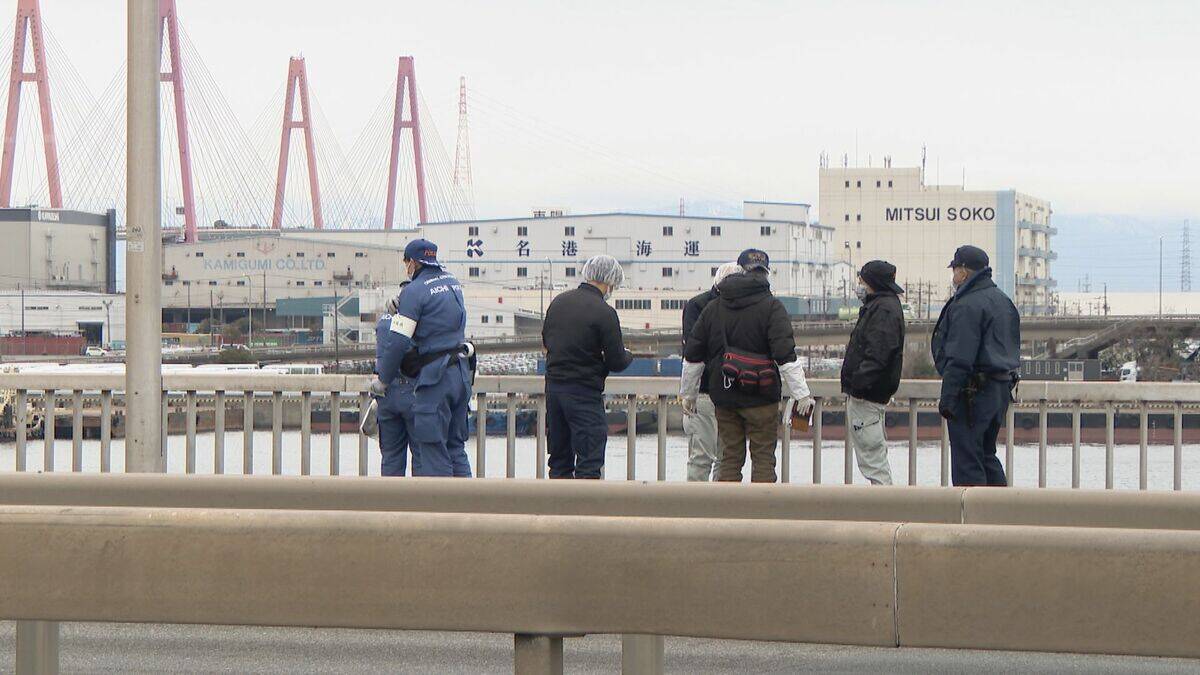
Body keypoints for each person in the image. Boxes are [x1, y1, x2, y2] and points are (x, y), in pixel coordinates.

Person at [681, 249, 813, 482]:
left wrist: (688, 394)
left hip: (725, 394)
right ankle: (762, 514)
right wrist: (801, 394)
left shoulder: (714, 307)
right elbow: (785, 356)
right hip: (762, 393)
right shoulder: (772, 307)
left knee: (729, 457)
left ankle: (729, 513)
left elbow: (693, 355)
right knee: (763, 457)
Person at [377, 238, 473, 477]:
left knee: (433, 449)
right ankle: (470, 510)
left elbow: (398, 341)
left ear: (412, 263)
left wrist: (383, 380)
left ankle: (439, 513)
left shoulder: (414, 291)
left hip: (435, 378)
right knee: (456, 447)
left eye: (406, 263)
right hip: (460, 374)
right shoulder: (452, 282)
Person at [932, 245, 1021, 487]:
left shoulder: (967, 305)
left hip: (972, 394)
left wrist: (948, 399)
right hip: (1000, 389)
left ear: (964, 271)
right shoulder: (1003, 300)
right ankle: (1001, 515)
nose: (953, 276)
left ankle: (972, 519)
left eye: (955, 270)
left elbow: (960, 356)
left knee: (967, 459)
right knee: (986, 453)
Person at [541, 254, 633, 478]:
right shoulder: (605, 313)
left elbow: (547, 342)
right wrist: (628, 355)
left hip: (554, 391)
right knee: (589, 462)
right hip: (584, 393)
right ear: (609, 282)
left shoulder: (558, 303)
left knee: (559, 461)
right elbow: (616, 361)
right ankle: (583, 511)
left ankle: (557, 510)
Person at [840, 261, 906, 485]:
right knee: (873, 454)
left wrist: (858, 384)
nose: (859, 286)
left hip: (867, 396)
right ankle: (883, 505)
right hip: (871, 394)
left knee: (873, 459)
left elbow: (878, 354)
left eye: (862, 281)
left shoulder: (883, 310)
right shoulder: (882, 306)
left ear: (872, 283)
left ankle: (883, 509)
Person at [680, 261, 743, 481]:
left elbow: (693, 351)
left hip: (706, 390)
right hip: (728, 391)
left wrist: (687, 393)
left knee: (705, 456)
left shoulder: (697, 306)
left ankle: (697, 508)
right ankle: (717, 507)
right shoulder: (741, 307)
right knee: (724, 457)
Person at [370, 281, 419, 476]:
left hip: (386, 395)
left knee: (390, 457)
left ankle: (389, 504)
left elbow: (381, 359)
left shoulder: (383, 321)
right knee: (422, 455)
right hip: (413, 393)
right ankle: (419, 504)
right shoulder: (416, 320)